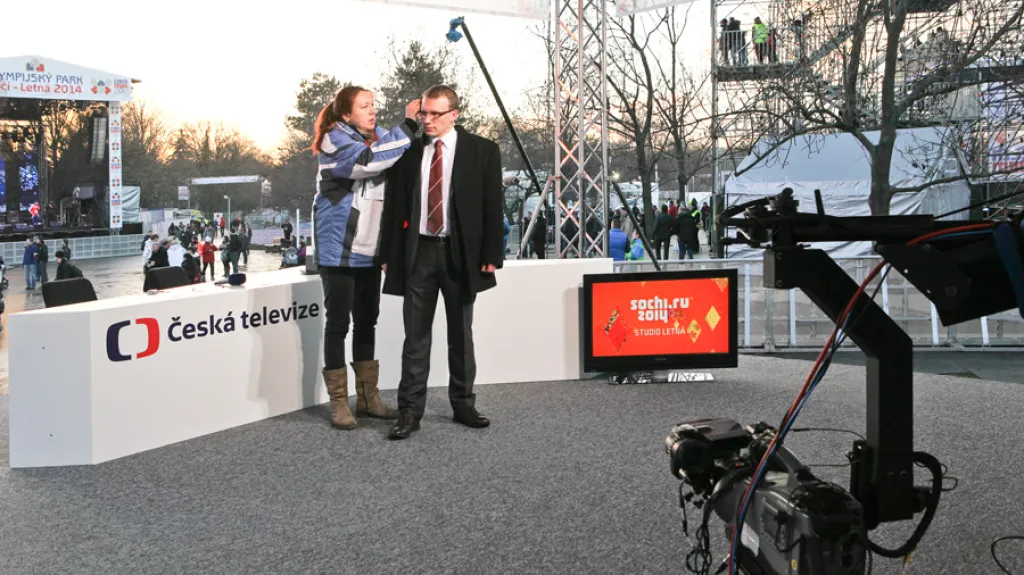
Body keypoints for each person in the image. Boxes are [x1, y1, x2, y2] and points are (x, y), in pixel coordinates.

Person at [380, 84, 504, 440]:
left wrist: (492, 255)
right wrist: (390, 253)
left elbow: (492, 207)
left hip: (460, 255)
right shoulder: (409, 152)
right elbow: (395, 207)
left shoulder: (482, 150)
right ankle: (409, 411)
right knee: (415, 338)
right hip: (417, 253)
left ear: (454, 113)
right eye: (424, 113)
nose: (428, 120)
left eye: (435, 113)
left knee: (460, 335)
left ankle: (463, 404)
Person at [313, 85, 420, 430]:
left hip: (369, 250)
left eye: (373, 104)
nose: (371, 111)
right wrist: (407, 124)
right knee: (338, 325)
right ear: (345, 114)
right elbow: (369, 162)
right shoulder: (335, 140)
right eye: (363, 106)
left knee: (366, 322)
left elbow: (391, 156)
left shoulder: (377, 138)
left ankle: (368, 398)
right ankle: (339, 403)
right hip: (339, 252)